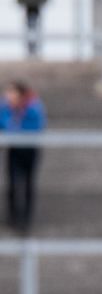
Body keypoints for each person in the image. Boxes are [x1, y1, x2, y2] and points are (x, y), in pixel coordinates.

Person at [0, 80, 46, 231]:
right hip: (14, 149)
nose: (7, 95)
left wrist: (12, 127)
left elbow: (34, 127)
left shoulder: (33, 107)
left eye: (11, 92)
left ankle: (26, 218)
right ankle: (13, 216)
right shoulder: (6, 107)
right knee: (12, 184)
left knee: (28, 184)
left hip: (29, 150)